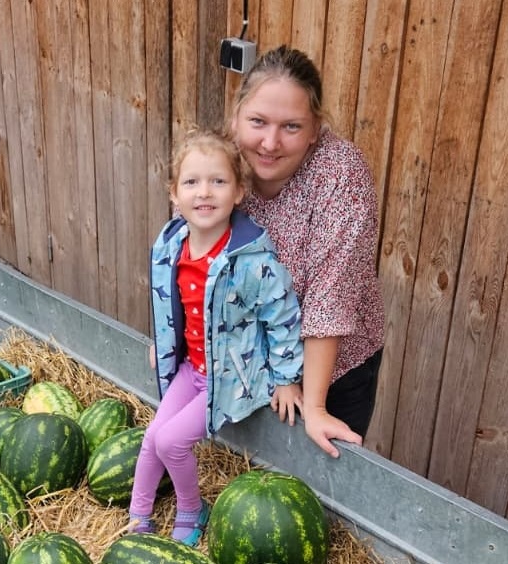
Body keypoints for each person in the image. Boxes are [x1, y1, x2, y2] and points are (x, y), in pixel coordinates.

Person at [128, 129, 304, 546]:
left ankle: (193, 508)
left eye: (218, 181)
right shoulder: (171, 245)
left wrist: (286, 377)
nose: (204, 192)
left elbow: (283, 317)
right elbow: (165, 301)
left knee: (171, 441)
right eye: (191, 182)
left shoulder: (250, 261)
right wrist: (163, 342)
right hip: (192, 369)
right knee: (153, 435)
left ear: (239, 191)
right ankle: (138, 513)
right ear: (175, 194)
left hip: (230, 379)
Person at [230, 45, 386, 459]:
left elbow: (329, 298)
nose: (269, 142)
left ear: (316, 128)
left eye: (292, 126)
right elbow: (187, 250)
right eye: (258, 121)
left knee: (314, 494)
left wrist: (315, 407)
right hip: (246, 355)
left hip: (331, 368)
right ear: (237, 116)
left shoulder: (341, 177)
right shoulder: (218, 163)